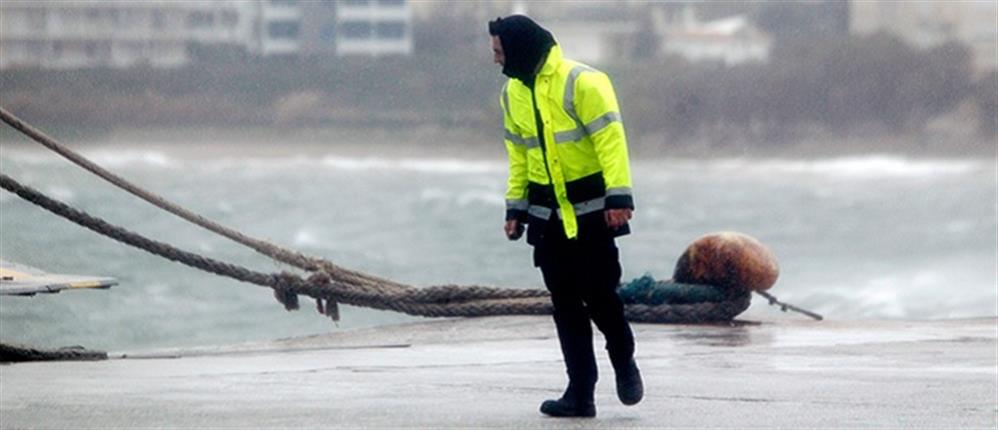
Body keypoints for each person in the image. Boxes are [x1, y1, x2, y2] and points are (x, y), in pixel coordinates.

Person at [488, 15, 642, 418]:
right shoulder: (511, 94)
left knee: (603, 300)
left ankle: (624, 362)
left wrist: (619, 196)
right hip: (546, 217)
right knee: (566, 306)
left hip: (593, 213)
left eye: (500, 52)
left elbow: (611, 141)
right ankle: (580, 393)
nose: (496, 60)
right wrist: (514, 207)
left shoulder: (585, 82)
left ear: (520, 49)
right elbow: (519, 155)